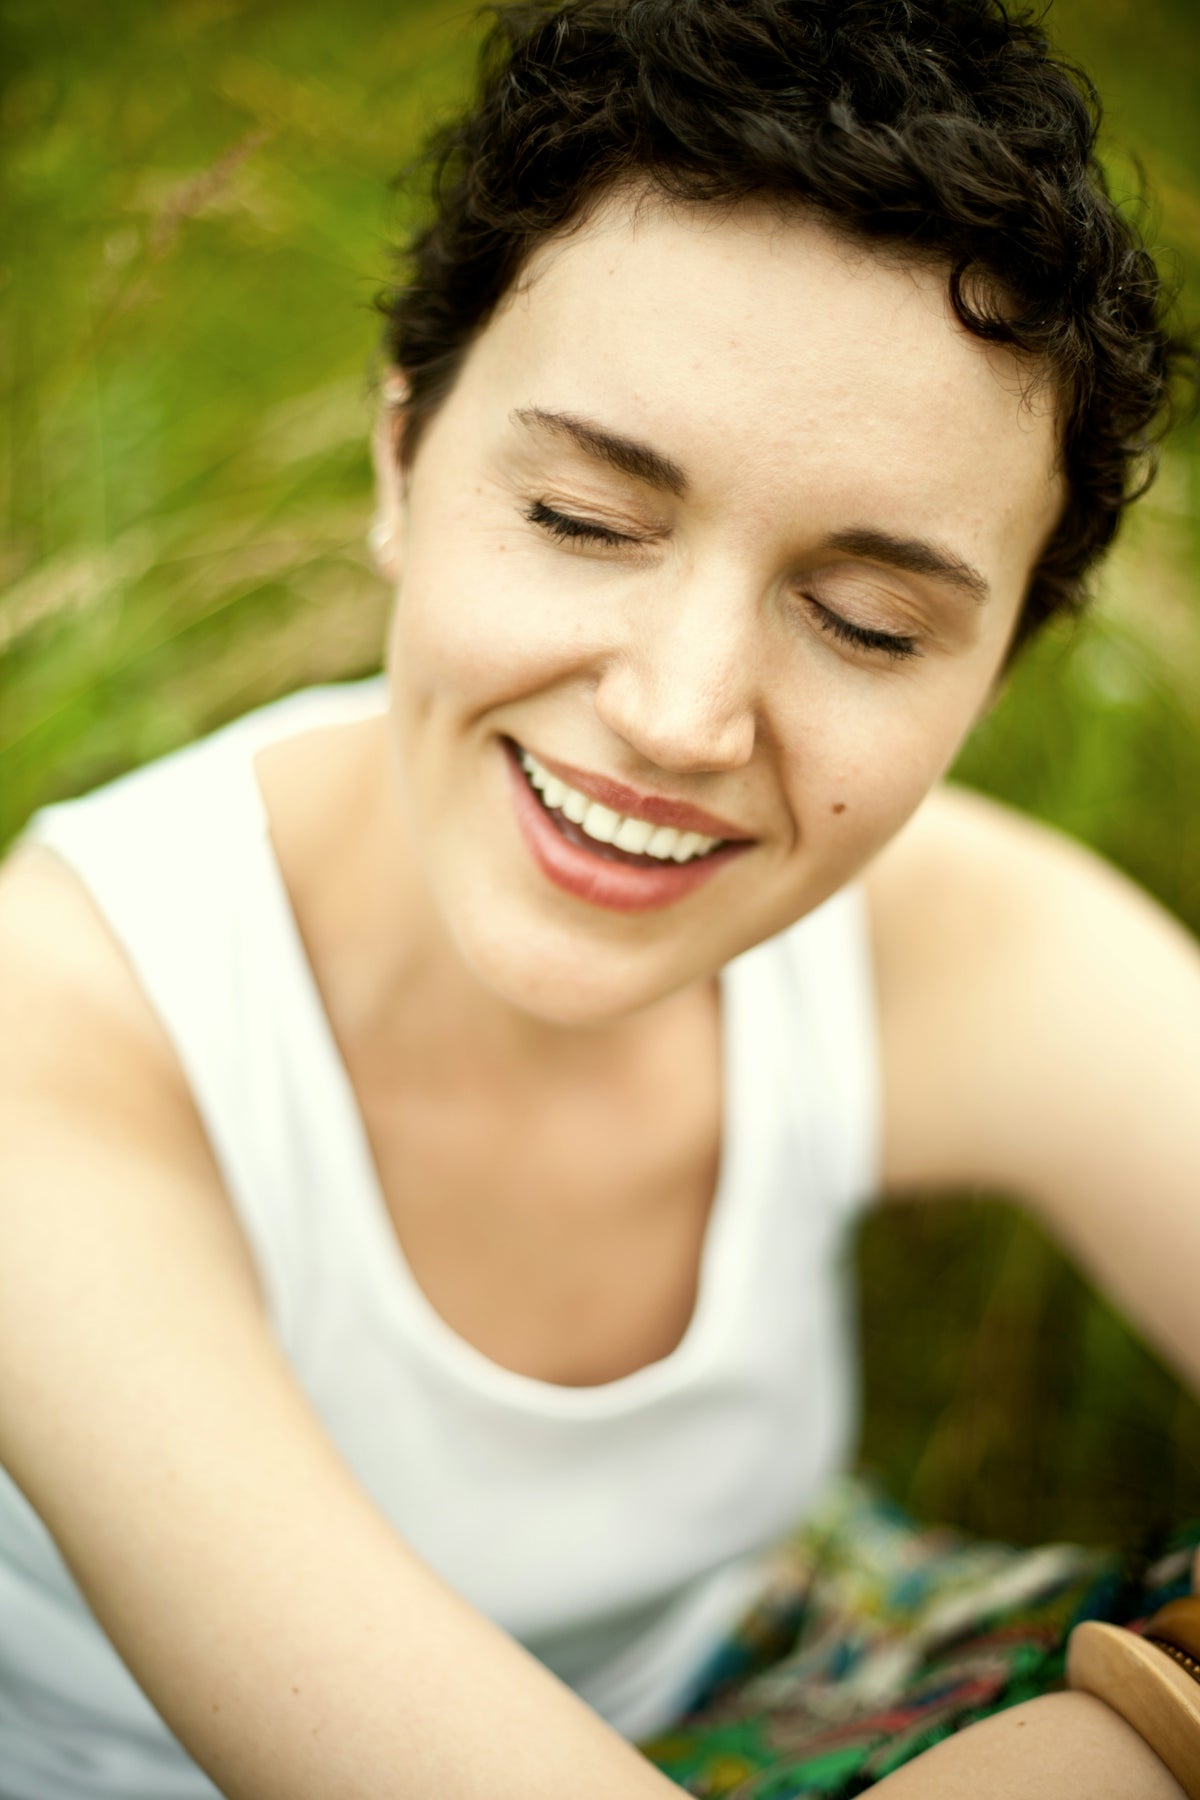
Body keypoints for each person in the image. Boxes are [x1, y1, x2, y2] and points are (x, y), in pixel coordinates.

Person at [0, 0, 1197, 1794]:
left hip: (755, 1665)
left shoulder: (941, 934)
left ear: (993, 674)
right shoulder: (64, 1030)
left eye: (868, 624)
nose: (678, 714)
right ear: (403, 459)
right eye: (582, 516)